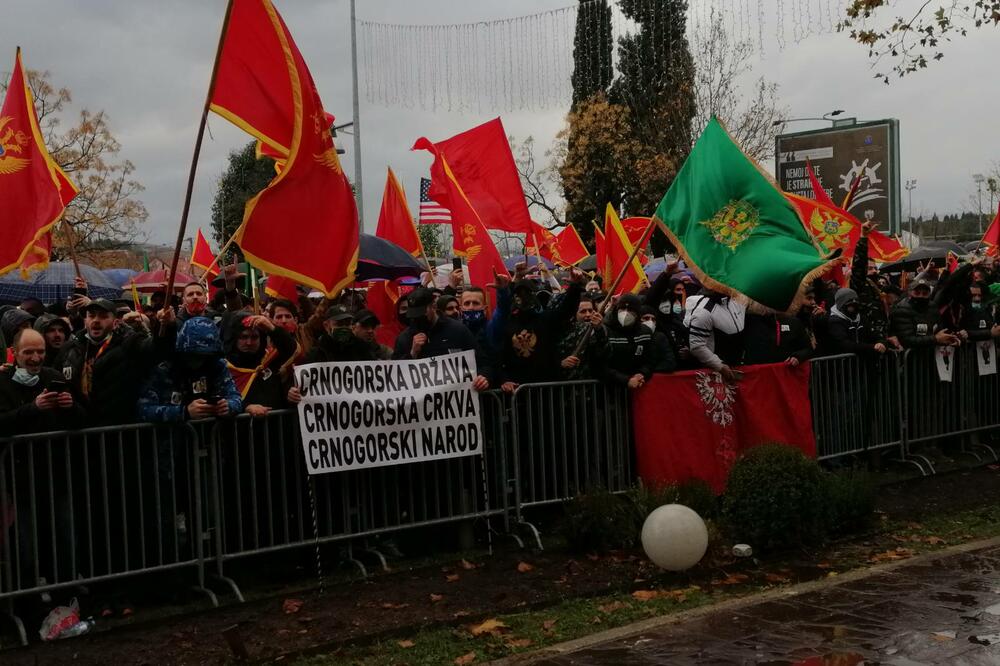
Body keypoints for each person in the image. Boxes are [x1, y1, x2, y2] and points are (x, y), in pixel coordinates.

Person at [58, 298, 177, 426]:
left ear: (115, 323)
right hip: (81, 430)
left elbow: (156, 350)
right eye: (91, 316)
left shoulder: (129, 343)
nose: (96, 320)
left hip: (117, 430)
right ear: (85, 320)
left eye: (103, 316)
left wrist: (167, 326)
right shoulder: (70, 348)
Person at [138, 317, 242, 422]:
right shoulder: (165, 370)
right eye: (193, 355)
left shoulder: (218, 366)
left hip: (210, 435)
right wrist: (184, 412)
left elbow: (235, 397)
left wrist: (228, 406)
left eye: (204, 355)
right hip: (174, 435)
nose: (198, 360)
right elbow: (144, 409)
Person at [497, 269, 585, 391]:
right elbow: (500, 357)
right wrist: (504, 379)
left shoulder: (545, 319)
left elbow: (566, 311)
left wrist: (575, 287)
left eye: (527, 293)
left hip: (547, 390)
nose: (523, 298)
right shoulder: (507, 322)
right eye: (519, 294)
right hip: (517, 391)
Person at [393, 287, 491, 390]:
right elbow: (394, 375)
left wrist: (484, 377)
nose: (418, 318)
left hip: (455, 399)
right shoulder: (405, 338)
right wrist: (412, 354)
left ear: (433, 307)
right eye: (414, 315)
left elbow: (484, 363)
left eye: (422, 313)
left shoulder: (457, 330)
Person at [0, 329, 83, 434]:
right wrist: (33, 408)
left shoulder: (55, 377)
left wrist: (71, 406)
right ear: (14, 352)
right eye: (28, 352)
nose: (35, 358)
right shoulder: (3, 381)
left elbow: (81, 420)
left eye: (40, 352)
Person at [223, 312, 297, 417]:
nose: (249, 342)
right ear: (235, 339)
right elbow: (221, 401)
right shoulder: (224, 367)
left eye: (254, 337)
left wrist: (271, 328)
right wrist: (245, 407)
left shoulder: (269, 360)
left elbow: (290, 348)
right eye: (243, 337)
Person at [683, 289, 746, 382]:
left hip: (739, 365)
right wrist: (719, 366)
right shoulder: (703, 312)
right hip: (716, 373)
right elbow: (697, 346)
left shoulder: (737, 301)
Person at [600, 294, 656, 389]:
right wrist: (626, 380)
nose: (625, 313)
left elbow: (650, 360)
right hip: (610, 390)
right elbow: (600, 365)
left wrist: (642, 374)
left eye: (630, 310)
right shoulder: (606, 331)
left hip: (637, 387)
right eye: (622, 309)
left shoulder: (645, 332)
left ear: (638, 314)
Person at [889, 278, 962, 349]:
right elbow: (906, 340)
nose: (921, 296)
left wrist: (950, 339)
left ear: (929, 294)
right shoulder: (901, 309)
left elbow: (939, 330)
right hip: (910, 357)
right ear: (910, 293)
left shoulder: (933, 307)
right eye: (917, 293)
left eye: (925, 293)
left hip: (930, 356)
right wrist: (935, 339)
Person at [818, 288, 890, 357]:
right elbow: (845, 344)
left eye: (856, 305)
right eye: (851, 306)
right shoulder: (835, 321)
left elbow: (875, 334)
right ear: (842, 306)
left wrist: (881, 343)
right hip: (843, 365)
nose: (854, 309)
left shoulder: (861, 318)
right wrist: (872, 347)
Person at [557, 295, 606, 380]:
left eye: (590, 311)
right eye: (583, 311)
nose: (588, 314)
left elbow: (604, 353)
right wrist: (561, 363)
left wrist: (599, 330)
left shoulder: (600, 329)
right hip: (567, 384)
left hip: (592, 384)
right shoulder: (563, 331)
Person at [639, 306, 677, 373]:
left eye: (653, 319)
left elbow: (669, 362)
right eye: (646, 318)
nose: (650, 321)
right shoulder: (633, 336)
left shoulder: (660, 337)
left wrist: (646, 371)